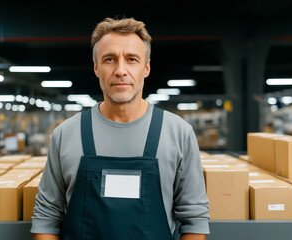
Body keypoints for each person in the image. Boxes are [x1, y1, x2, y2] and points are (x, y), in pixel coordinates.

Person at [31, 17, 210, 240]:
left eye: (132, 59)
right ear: (96, 68)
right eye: (109, 59)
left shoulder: (178, 133)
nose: (120, 70)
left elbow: (195, 220)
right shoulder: (66, 134)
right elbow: (46, 219)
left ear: (146, 68)